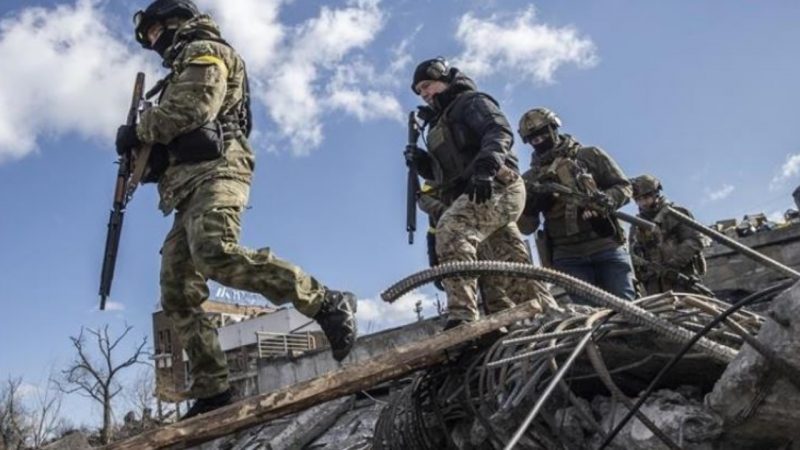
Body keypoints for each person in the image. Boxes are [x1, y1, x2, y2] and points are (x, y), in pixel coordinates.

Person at [115, 0, 357, 419]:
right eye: (149, 38)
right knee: (177, 291)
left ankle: (325, 301)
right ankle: (213, 386)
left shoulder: (205, 49)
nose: (154, 42)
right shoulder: (175, 72)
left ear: (176, 22)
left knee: (214, 252)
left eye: (155, 32)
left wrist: (139, 129)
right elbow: (175, 139)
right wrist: (143, 157)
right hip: (186, 189)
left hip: (219, 173)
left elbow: (195, 108)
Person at [406, 58, 553, 328]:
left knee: (452, 228)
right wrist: (423, 162)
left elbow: (499, 131)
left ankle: (462, 316)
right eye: (419, 91)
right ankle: (544, 318)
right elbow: (446, 175)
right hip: (475, 196)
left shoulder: (471, 102)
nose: (424, 94)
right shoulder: (438, 125)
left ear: (444, 78)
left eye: (427, 85)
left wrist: (485, 169)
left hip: (497, 185)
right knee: (507, 267)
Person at [517, 107, 636, 303]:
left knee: (627, 308)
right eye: (533, 139)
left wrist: (605, 201)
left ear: (554, 129)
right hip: (567, 256)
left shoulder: (589, 156)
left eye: (543, 134)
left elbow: (624, 187)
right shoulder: (530, 179)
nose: (539, 141)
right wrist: (533, 205)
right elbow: (526, 227)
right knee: (587, 315)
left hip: (605, 245)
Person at [629, 175, 707, 295]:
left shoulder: (676, 213)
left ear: (656, 194)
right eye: (638, 199)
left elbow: (694, 240)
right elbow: (633, 253)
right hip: (654, 284)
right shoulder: (637, 224)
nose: (643, 203)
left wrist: (672, 265)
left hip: (681, 277)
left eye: (646, 197)